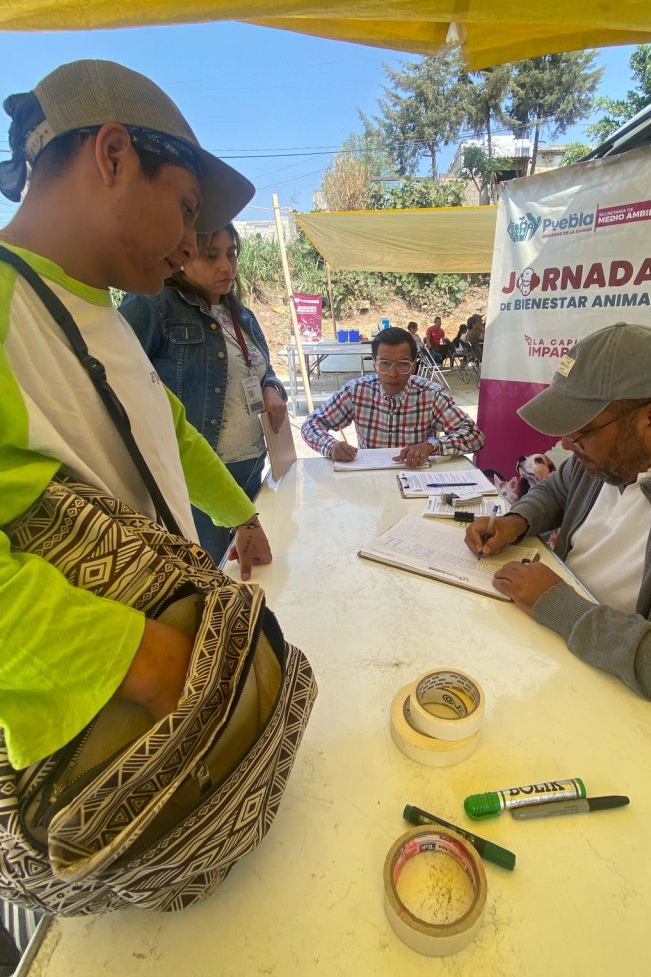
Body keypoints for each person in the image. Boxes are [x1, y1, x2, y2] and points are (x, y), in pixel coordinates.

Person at [0, 59, 270, 775]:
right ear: (114, 155)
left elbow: (170, 431)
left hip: (155, 720)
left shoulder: (104, 310)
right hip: (91, 752)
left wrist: (240, 513)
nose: (191, 243)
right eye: (186, 207)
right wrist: (147, 659)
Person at [465, 322, 651, 745]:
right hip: (562, 649)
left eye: (581, 431)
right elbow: (561, 485)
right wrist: (518, 521)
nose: (567, 445)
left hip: (632, 718)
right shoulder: (622, 450)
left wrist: (560, 606)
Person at [120, 223, 287, 563]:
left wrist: (272, 388)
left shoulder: (241, 315)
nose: (227, 266)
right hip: (198, 480)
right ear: (180, 256)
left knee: (255, 570)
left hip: (252, 466)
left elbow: (263, 368)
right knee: (210, 574)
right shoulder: (154, 306)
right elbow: (119, 380)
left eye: (231, 254)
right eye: (211, 256)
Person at [300, 325, 484, 467]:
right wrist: (331, 446)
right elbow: (311, 424)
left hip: (416, 478)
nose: (393, 373)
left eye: (403, 364)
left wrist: (432, 446)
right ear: (374, 365)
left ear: (414, 365)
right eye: (385, 364)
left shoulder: (431, 394)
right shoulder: (356, 392)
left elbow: (474, 435)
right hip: (370, 480)